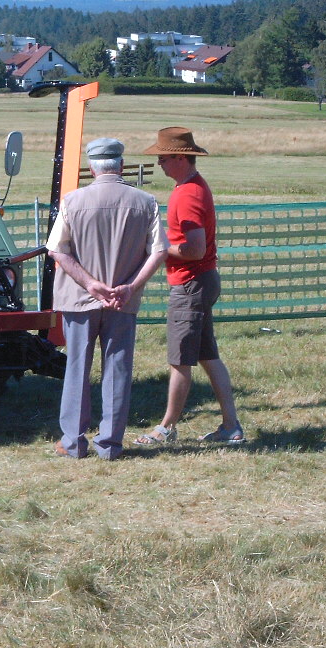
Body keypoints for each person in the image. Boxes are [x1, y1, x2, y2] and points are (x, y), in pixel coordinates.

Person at [47, 137, 167, 460]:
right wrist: (130, 287)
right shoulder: (146, 202)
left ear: (91, 168)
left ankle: (73, 442)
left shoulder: (72, 202)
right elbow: (159, 251)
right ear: (122, 166)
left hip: (79, 301)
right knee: (118, 369)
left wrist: (90, 284)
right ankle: (110, 444)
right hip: (123, 302)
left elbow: (57, 249)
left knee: (77, 368)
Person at [135, 127, 245, 445]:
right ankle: (230, 426)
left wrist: (155, 246)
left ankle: (166, 428)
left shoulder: (187, 194)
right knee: (208, 356)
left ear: (181, 158)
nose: (159, 164)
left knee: (179, 360)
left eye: (163, 158)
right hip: (203, 280)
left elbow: (194, 249)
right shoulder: (192, 187)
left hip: (191, 284)